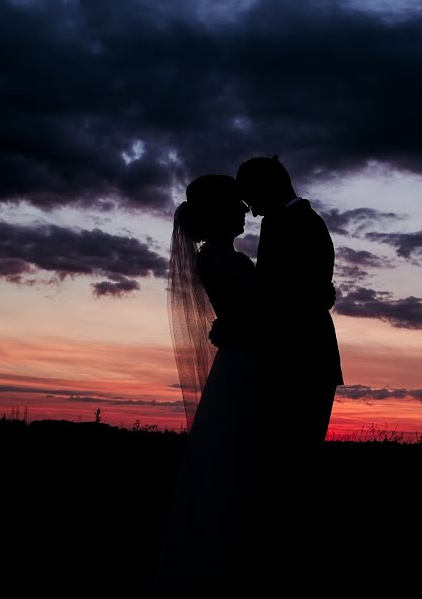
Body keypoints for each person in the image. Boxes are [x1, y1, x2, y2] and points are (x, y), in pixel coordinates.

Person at [235, 156, 343, 585]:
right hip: (297, 354)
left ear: (267, 186)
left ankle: (290, 558)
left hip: (301, 357)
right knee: (286, 460)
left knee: (292, 461)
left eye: (249, 192)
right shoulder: (289, 221)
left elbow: (288, 294)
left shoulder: (292, 223)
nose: (246, 204)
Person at [154, 174, 261, 597]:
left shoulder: (222, 256)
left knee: (236, 455)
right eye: (236, 204)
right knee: (234, 456)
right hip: (245, 362)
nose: (244, 210)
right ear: (218, 213)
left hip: (242, 358)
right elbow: (256, 312)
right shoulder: (217, 258)